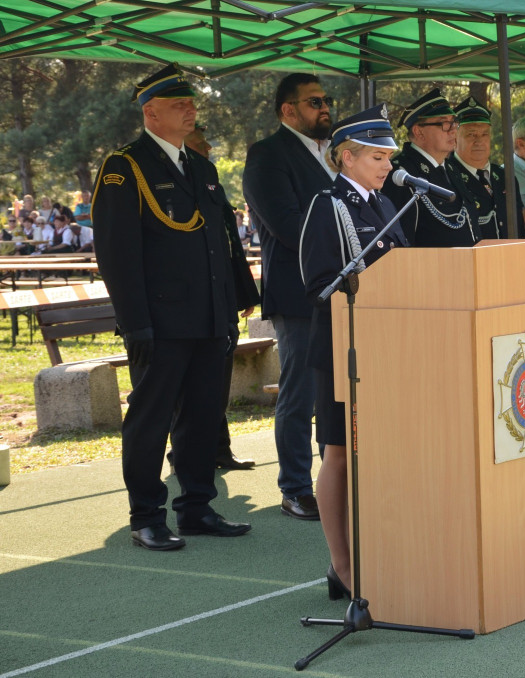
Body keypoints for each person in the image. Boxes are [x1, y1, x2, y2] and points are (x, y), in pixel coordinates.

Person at [92, 63, 252, 551]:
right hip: (160, 322)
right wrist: (135, 323)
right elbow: (117, 254)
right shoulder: (126, 166)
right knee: (151, 419)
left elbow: (217, 246)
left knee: (204, 416)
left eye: (192, 103)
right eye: (179, 104)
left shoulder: (199, 166)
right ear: (150, 111)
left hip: (207, 317)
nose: (191, 111)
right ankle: (146, 515)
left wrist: (228, 310)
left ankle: (197, 507)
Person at [300, 104, 408, 602]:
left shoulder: (386, 205)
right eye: (377, 157)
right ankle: (341, 565)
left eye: (389, 157)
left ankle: (382, 551)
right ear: (346, 157)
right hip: (344, 352)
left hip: (388, 349)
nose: (387, 165)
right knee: (340, 455)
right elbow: (317, 284)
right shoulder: (328, 206)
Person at [243, 73, 336, 521]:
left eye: (326, 100)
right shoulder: (268, 156)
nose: (325, 108)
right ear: (288, 110)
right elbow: (289, 225)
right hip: (298, 293)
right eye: (315, 101)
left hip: (342, 289)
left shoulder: (336, 153)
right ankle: (296, 487)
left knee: (337, 393)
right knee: (300, 393)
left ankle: (334, 479)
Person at [169, 120, 259, 473]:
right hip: (191, 300)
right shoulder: (174, 183)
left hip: (222, 294)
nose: (207, 148)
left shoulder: (209, 179)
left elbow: (229, 244)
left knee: (217, 380)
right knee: (190, 387)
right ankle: (184, 454)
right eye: (200, 143)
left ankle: (219, 449)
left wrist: (241, 290)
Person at [381, 88, 477, 247]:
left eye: (454, 122)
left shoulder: (452, 168)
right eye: (445, 123)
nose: (453, 129)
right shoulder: (401, 174)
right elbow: (401, 243)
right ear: (418, 131)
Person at [446, 97, 525, 240]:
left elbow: (519, 229)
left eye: (484, 134)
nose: (479, 141)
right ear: (455, 139)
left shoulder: (505, 177)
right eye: (471, 134)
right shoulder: (446, 177)